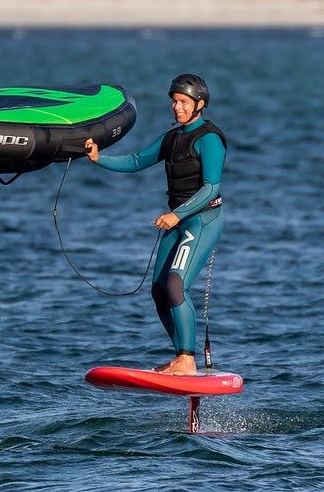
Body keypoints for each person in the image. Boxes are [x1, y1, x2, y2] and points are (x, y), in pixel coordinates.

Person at [84, 74, 228, 376]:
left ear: (200, 104)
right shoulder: (172, 138)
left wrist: (177, 215)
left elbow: (211, 188)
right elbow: (137, 160)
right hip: (178, 219)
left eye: (183, 102)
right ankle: (181, 356)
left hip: (202, 219)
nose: (177, 107)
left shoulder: (210, 139)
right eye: (174, 101)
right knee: (160, 289)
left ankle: (187, 359)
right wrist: (99, 159)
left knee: (177, 283)